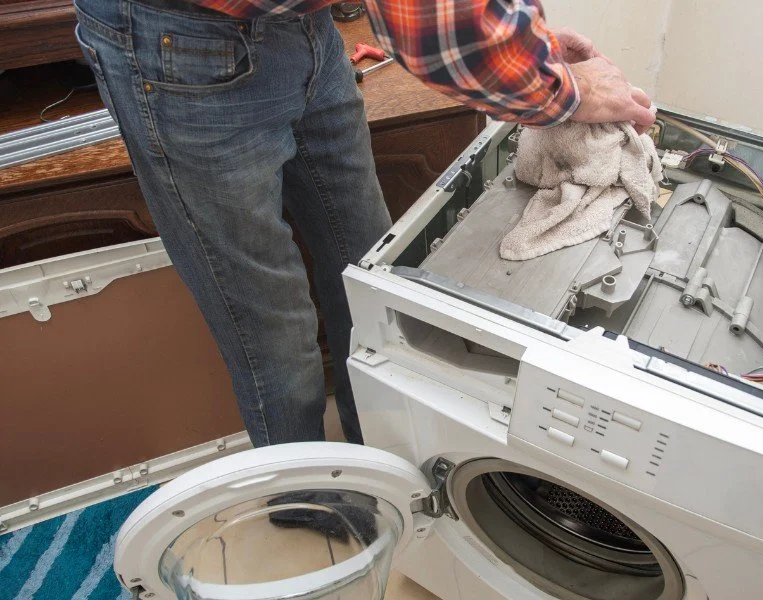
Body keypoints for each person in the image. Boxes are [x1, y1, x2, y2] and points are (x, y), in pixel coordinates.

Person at [71, 0, 654, 448]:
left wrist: (530, 41)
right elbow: (440, 27)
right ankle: (308, 509)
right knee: (269, 322)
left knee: (368, 271)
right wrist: (566, 90)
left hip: (305, 27)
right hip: (178, 40)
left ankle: (374, 457)